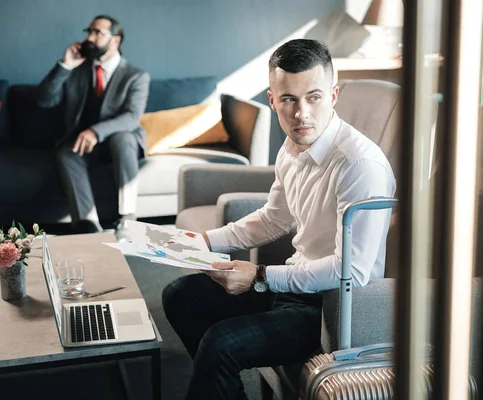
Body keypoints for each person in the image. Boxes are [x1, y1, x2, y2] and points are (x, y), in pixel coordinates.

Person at [162, 39, 396, 399]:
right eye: (288, 99)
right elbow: (273, 219)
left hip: (330, 309)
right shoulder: (292, 146)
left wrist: (259, 276)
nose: (301, 113)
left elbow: (354, 272)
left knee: (221, 344)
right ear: (272, 100)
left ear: (333, 95)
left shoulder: (359, 165)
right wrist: (205, 242)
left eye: (313, 97)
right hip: (292, 285)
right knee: (181, 296)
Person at [37, 15, 150, 234]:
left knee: (124, 137)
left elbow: (131, 117)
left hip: (119, 142)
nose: (90, 37)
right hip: (84, 143)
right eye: (89, 31)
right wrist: (65, 65)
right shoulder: (77, 70)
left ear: (115, 40)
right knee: (66, 153)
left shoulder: (136, 76)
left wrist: (96, 132)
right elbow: (44, 100)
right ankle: (87, 226)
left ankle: (128, 218)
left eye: (97, 33)